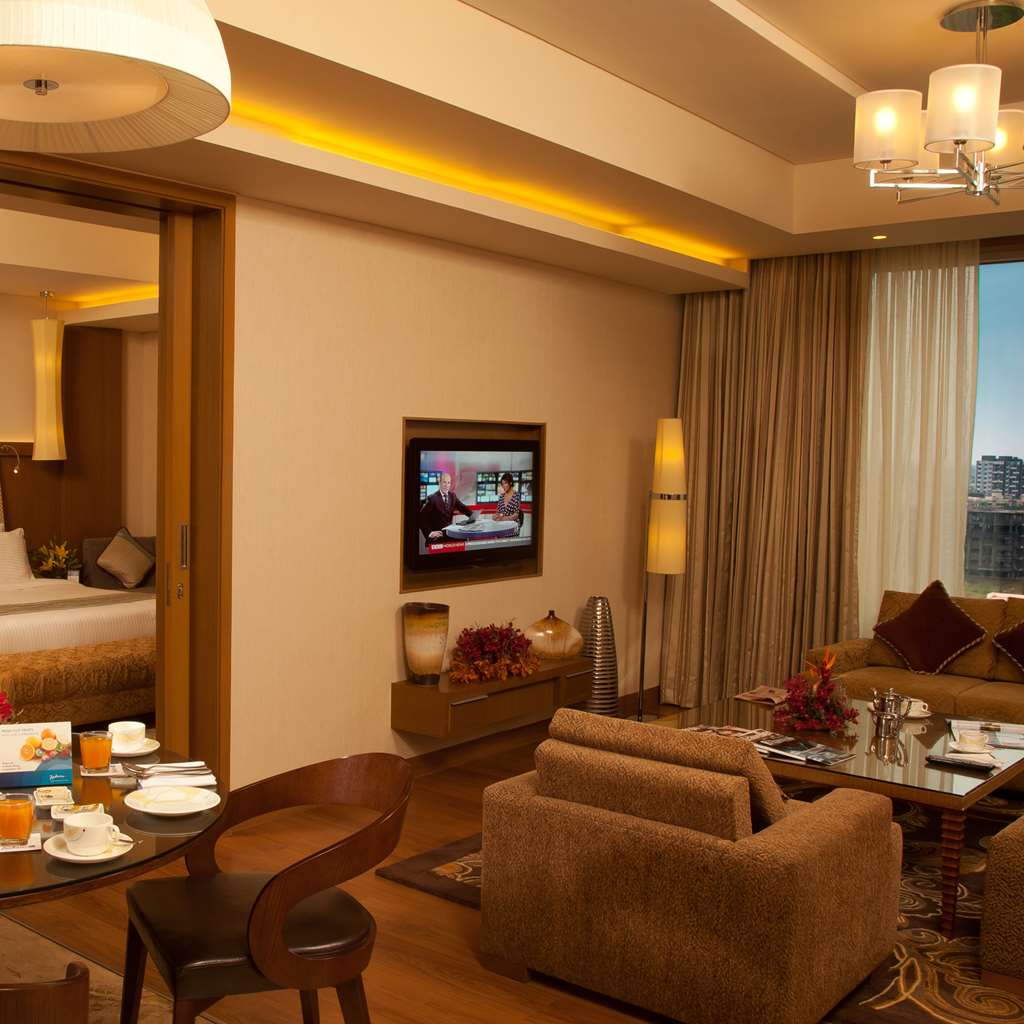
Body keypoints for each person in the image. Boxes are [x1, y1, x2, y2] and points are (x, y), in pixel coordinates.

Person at [419, 472, 473, 542]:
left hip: (449, 532)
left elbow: (463, 508)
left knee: (466, 538)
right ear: (439, 483)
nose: (447, 485)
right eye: (444, 482)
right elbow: (421, 518)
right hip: (438, 534)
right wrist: (430, 533)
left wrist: (473, 516)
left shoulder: (452, 496)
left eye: (448, 483)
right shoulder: (432, 498)